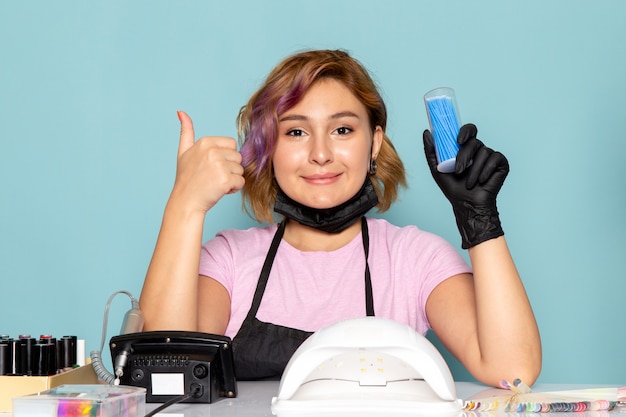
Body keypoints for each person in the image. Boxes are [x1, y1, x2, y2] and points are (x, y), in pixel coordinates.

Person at [139, 49, 541, 387]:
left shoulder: (414, 259)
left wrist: (479, 219)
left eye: (343, 129)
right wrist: (184, 207)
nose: (320, 154)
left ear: (374, 143)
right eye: (296, 132)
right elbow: (166, 375)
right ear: (268, 148)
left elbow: (513, 372)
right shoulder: (228, 260)